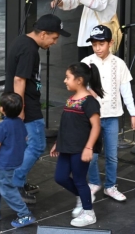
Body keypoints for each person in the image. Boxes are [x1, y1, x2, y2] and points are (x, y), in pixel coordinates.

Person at [4, 14, 71, 203]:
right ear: (43, 34)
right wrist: (21, 109)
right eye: (54, 38)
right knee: (37, 145)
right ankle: (15, 184)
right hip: (27, 104)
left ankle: (19, 181)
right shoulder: (29, 50)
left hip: (24, 102)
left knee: (24, 146)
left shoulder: (23, 42)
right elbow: (19, 79)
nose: (55, 43)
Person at [81, 25, 135, 202]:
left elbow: (126, 90)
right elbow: (78, 87)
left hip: (113, 115)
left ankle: (110, 186)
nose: (98, 48)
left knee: (112, 155)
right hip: (92, 118)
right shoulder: (86, 62)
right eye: (94, 44)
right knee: (92, 154)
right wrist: (86, 91)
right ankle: (93, 184)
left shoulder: (119, 64)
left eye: (101, 44)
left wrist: (133, 113)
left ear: (111, 43)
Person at [50, 62, 104, 227]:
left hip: (80, 149)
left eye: (68, 77)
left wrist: (88, 148)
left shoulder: (89, 102)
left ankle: (89, 213)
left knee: (80, 180)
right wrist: (57, 143)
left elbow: (96, 126)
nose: (65, 81)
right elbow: (66, 124)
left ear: (79, 80)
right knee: (60, 177)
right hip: (66, 146)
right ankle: (83, 195)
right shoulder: (71, 99)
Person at [0, 92, 36, 229]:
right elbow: (25, 139)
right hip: (9, 162)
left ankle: (24, 214)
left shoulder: (3, 126)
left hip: (4, 163)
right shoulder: (20, 123)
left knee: (7, 189)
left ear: (2, 109)